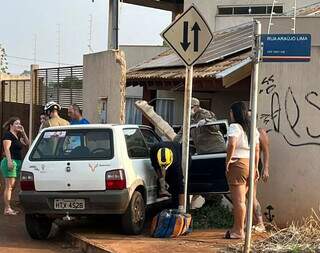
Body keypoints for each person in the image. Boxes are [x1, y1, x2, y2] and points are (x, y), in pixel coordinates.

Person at [224, 101, 259, 239]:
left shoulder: (234, 127)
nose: (230, 114)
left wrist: (227, 160)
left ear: (235, 113)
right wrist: (256, 167)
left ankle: (239, 231)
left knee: (239, 201)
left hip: (238, 164)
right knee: (244, 199)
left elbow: (231, 143)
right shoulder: (252, 128)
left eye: (231, 112)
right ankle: (239, 228)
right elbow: (257, 149)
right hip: (250, 163)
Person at [1, 117, 29, 215]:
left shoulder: (17, 136)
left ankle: (9, 207)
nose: (19, 125)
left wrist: (23, 132)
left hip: (17, 162)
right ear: (11, 125)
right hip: (10, 161)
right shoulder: (8, 135)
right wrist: (9, 161)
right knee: (9, 186)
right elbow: (7, 149)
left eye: (19, 123)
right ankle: (7, 209)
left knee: (12, 186)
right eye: (16, 123)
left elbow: (28, 143)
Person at [150, 141, 185, 212]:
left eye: (166, 165)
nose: (164, 167)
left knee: (176, 184)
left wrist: (181, 209)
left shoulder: (177, 163)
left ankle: (177, 206)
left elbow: (181, 187)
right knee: (165, 179)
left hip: (181, 153)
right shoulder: (154, 151)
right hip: (163, 151)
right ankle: (166, 197)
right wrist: (162, 181)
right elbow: (156, 168)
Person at [252, 127, 270, 232]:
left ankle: (260, 223)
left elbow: (266, 151)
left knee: (252, 195)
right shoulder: (243, 128)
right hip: (245, 163)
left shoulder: (260, 131)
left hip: (254, 164)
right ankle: (248, 222)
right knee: (246, 196)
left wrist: (266, 168)